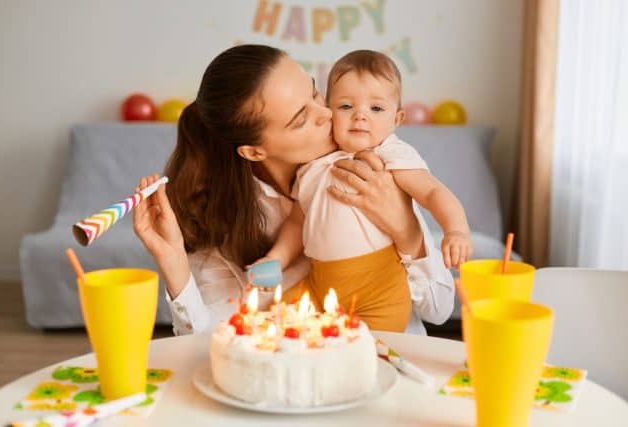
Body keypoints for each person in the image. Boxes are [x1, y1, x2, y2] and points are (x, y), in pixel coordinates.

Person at [132, 44, 454, 336]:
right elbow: (211, 341)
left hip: (399, 361)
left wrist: (405, 228)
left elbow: (438, 310)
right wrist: (174, 264)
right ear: (254, 151)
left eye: (315, 94)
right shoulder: (223, 216)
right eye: (302, 119)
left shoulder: (366, 165)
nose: (328, 114)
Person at [254, 50, 469, 332]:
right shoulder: (312, 165)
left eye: (376, 109)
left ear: (397, 119)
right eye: (345, 107)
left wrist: (456, 229)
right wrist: (276, 259)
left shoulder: (390, 154)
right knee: (277, 326)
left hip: (377, 289)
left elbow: (433, 193)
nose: (360, 117)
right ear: (329, 111)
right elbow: (298, 220)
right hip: (321, 284)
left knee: (371, 349)